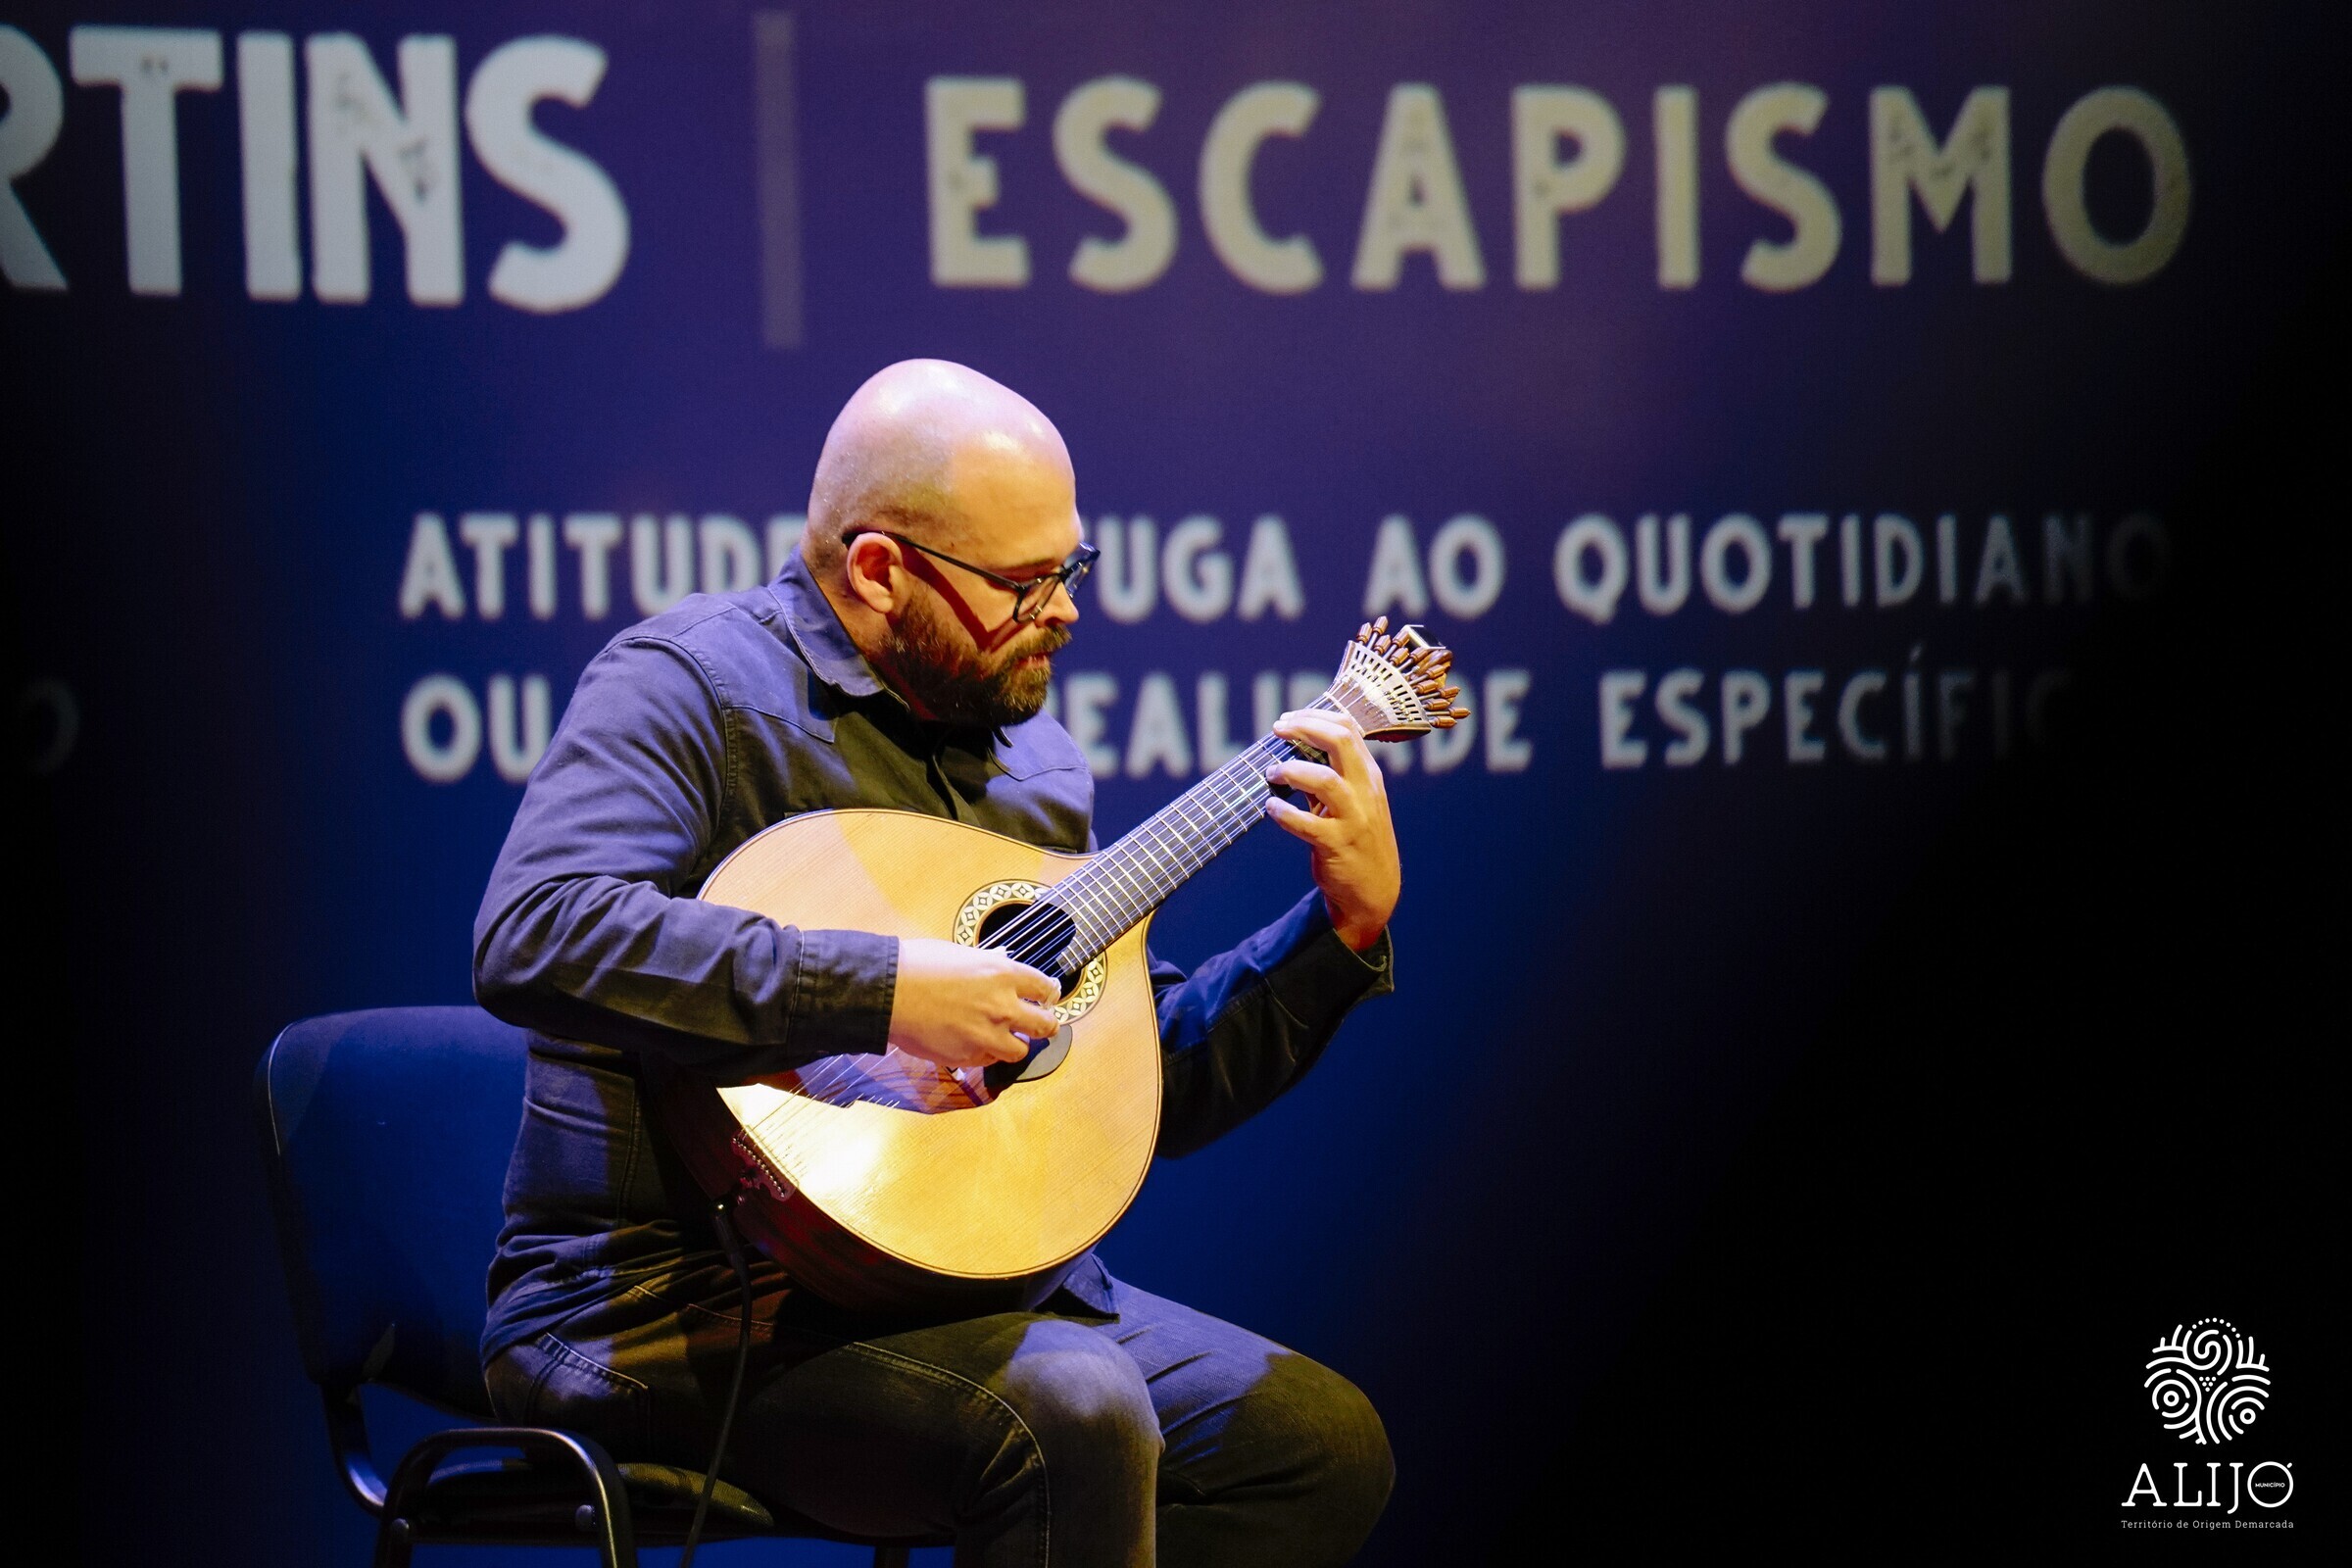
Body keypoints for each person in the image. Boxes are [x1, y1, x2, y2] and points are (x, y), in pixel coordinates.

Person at [472, 360, 1399, 1565]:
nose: (1066, 608)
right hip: (666, 1307)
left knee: (1316, 1443)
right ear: (877, 569)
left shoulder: (1035, 767)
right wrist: (889, 992)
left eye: (1075, 567)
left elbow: (1135, 1083)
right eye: (1026, 582)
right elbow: (538, 926)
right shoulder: (691, 688)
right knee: (1069, 1409)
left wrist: (1342, 931)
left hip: (952, 1300)